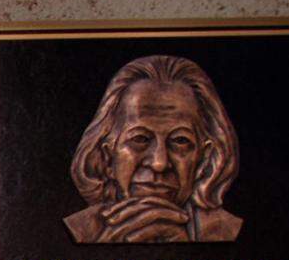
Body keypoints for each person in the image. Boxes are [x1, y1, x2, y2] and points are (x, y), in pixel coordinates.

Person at [62, 55, 243, 244]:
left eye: (180, 141)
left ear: (204, 159)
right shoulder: (80, 230)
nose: (159, 163)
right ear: (107, 156)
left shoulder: (225, 231)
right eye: (140, 139)